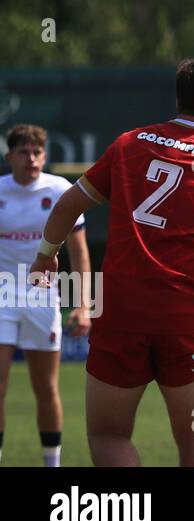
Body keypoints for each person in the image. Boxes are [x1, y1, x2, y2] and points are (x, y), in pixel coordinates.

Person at [31, 58, 194, 466]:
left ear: (178, 98)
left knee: (109, 434)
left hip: (120, 312)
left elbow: (69, 202)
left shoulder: (129, 145)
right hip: (183, 319)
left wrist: (45, 256)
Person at [0, 124, 90, 466]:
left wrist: (84, 304)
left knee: (46, 388)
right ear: (10, 157)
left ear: (46, 155)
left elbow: (79, 254)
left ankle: (52, 463)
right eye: (23, 152)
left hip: (42, 297)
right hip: (2, 296)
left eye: (38, 152)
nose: (32, 158)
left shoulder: (60, 190)